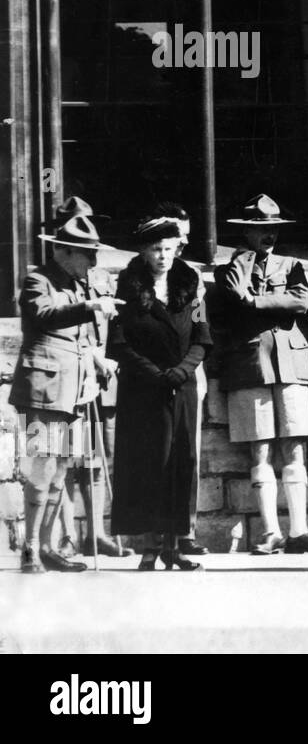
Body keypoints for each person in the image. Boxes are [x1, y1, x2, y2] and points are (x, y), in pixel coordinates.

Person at [213, 194, 308, 556]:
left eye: (274, 229)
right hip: (250, 364)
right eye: (261, 230)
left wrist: (254, 302)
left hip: (291, 362)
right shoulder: (232, 267)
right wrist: (244, 279)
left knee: (294, 444)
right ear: (246, 233)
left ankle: (298, 530)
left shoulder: (292, 265)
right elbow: (231, 296)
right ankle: (270, 532)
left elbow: (299, 301)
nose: (269, 236)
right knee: (259, 448)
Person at [11, 215, 123, 573]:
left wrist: (99, 361)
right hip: (42, 391)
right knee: (39, 472)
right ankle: (30, 548)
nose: (93, 263)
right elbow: (44, 315)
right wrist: (88, 307)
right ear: (63, 251)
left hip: (75, 391)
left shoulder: (79, 285)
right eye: (87, 255)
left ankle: (46, 546)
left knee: (61, 472)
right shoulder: (37, 281)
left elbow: (82, 341)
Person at [110, 218, 210, 571]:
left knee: (182, 461)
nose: (163, 256)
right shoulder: (128, 288)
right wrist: (155, 375)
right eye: (155, 249)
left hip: (182, 386)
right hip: (143, 388)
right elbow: (119, 343)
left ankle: (177, 544)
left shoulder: (190, 285)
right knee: (149, 462)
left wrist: (182, 372)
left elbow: (202, 337)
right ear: (143, 251)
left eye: (169, 248)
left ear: (177, 249)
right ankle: (150, 545)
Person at [41, 198, 133, 561]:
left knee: (95, 462)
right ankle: (66, 537)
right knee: (63, 461)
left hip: (101, 383)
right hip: (67, 383)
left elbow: (115, 328)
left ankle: (97, 535)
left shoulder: (102, 276)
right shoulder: (49, 278)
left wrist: (109, 361)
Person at [149, 201, 207, 557]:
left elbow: (201, 321)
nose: (178, 248)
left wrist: (189, 366)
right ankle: (153, 537)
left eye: (183, 241)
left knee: (188, 452)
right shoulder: (140, 276)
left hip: (188, 373)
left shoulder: (192, 277)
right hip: (151, 375)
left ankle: (185, 530)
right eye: (172, 240)